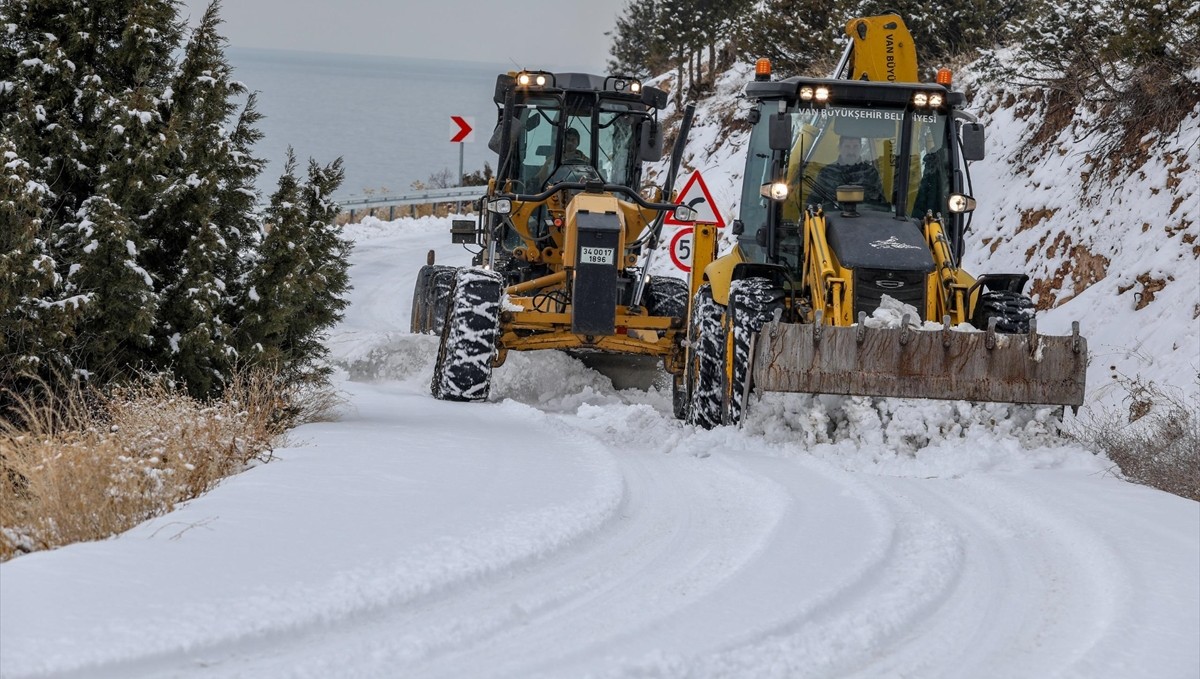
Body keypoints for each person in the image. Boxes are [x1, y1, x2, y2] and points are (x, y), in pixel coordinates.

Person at [810, 135, 886, 207]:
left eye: (855, 147)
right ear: (839, 148)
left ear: (861, 148)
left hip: (867, 218)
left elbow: (881, 204)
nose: (851, 152)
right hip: (832, 217)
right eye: (847, 147)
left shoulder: (870, 173)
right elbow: (814, 202)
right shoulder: (827, 173)